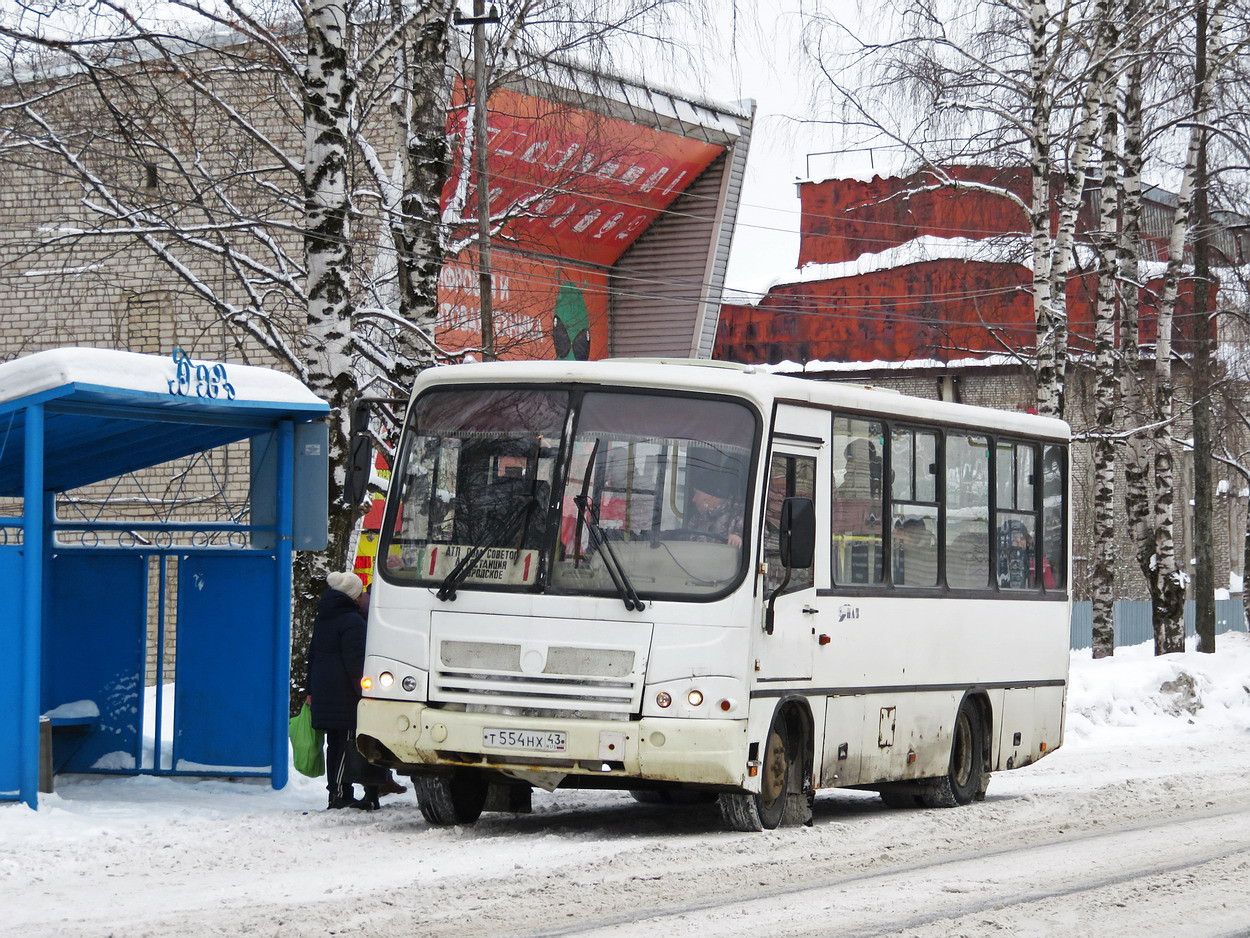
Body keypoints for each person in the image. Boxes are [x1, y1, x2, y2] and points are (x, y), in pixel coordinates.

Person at [308, 571, 389, 810]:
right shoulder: (352, 621)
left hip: (327, 691)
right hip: (346, 695)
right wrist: (364, 692)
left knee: (336, 745)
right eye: (361, 592)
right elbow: (355, 662)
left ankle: (340, 792)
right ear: (354, 596)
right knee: (354, 743)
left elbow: (312, 656)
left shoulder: (324, 618)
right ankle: (346, 794)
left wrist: (312, 689)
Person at [687, 470, 743, 547]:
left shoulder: (741, 516)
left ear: (712, 495)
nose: (694, 499)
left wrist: (739, 541)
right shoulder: (698, 516)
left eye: (696, 493)